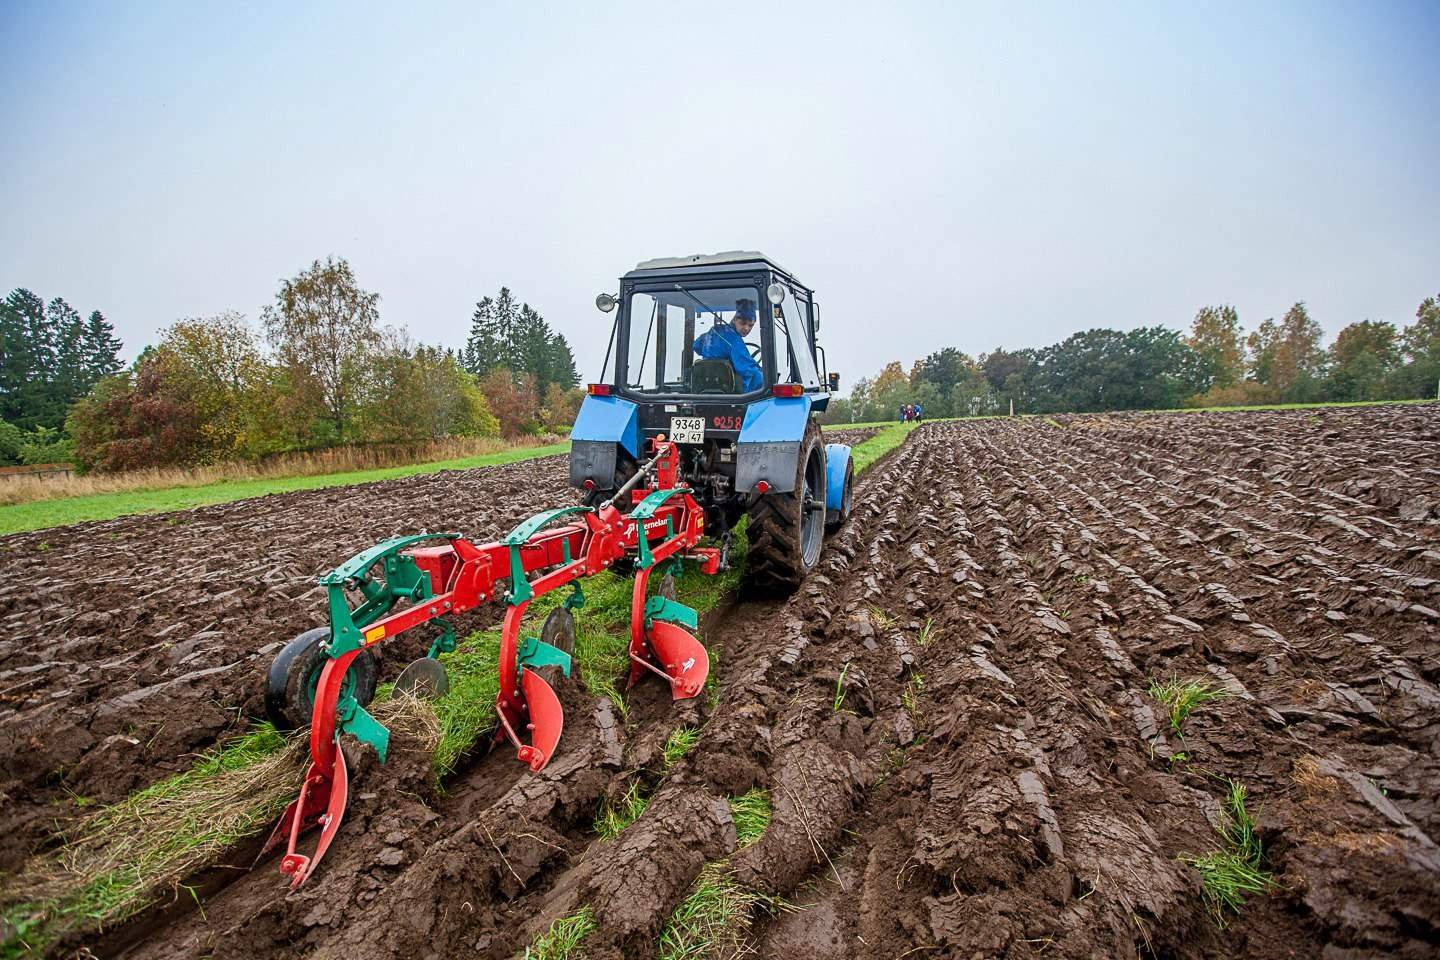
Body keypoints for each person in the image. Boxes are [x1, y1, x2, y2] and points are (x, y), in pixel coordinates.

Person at [693, 298, 763, 392]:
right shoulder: (734, 340)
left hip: (704, 386)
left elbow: (696, 346)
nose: (746, 328)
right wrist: (766, 379)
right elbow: (747, 369)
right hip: (729, 391)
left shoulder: (713, 331)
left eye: (750, 325)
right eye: (742, 323)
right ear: (734, 320)